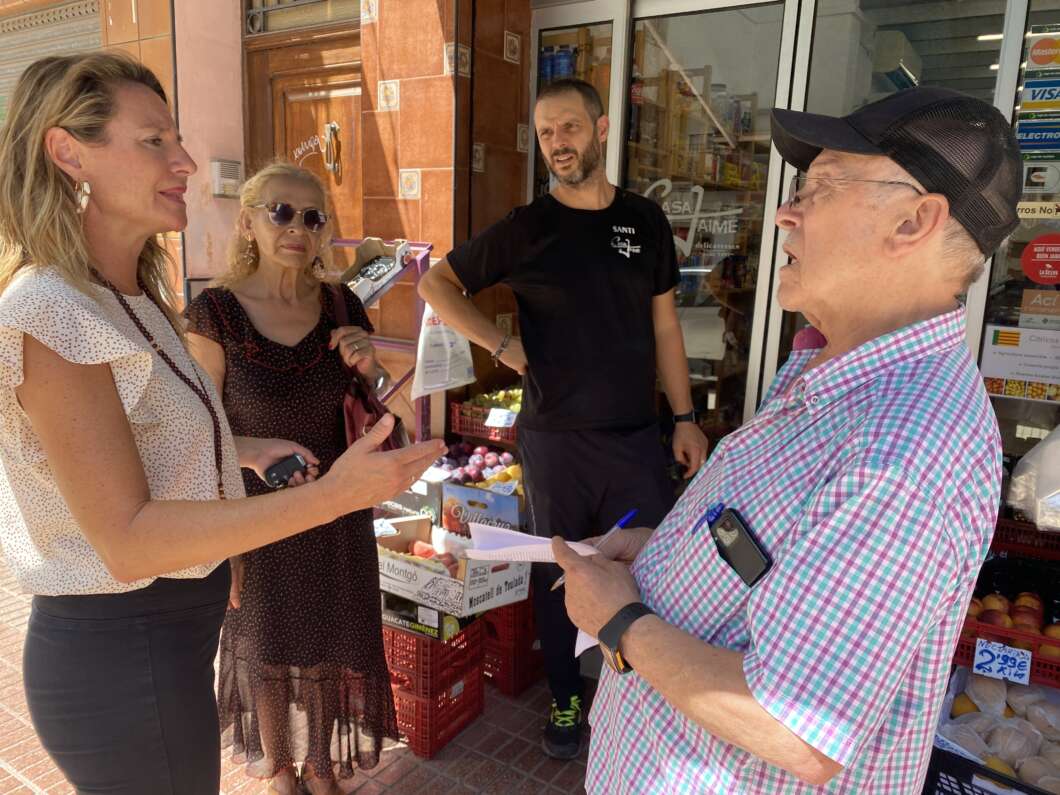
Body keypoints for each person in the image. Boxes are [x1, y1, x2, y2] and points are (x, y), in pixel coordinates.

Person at [551, 85, 1020, 794]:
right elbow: (772, 557)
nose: (784, 213)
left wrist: (618, 619)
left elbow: (796, 726)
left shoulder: (904, 450)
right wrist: (667, 554)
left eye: (823, 187)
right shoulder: (829, 368)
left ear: (915, 221)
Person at [0, 53, 442, 795]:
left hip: (165, 643)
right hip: (123, 656)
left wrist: (246, 445)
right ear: (68, 151)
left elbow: (144, 444)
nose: (187, 160)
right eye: (154, 141)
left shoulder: (133, 297)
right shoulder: (51, 311)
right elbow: (129, 538)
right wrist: (337, 492)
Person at [418, 77, 709, 759]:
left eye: (570, 128)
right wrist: (500, 345)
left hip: (636, 437)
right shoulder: (530, 227)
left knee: (651, 568)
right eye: (547, 132)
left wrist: (686, 416)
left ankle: (637, 694)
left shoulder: (645, 220)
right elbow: (437, 283)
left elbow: (667, 327)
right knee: (559, 571)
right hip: (554, 441)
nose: (559, 143)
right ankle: (567, 699)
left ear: (602, 130)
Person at [185, 161, 397, 795]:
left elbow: (377, 411)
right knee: (267, 644)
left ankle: (324, 769)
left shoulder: (341, 304)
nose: (297, 229)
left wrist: (373, 367)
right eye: (280, 212)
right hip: (257, 516)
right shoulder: (215, 313)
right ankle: (280, 770)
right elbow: (198, 429)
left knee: (336, 635)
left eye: (312, 217)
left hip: (339, 509)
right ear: (248, 220)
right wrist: (224, 537)